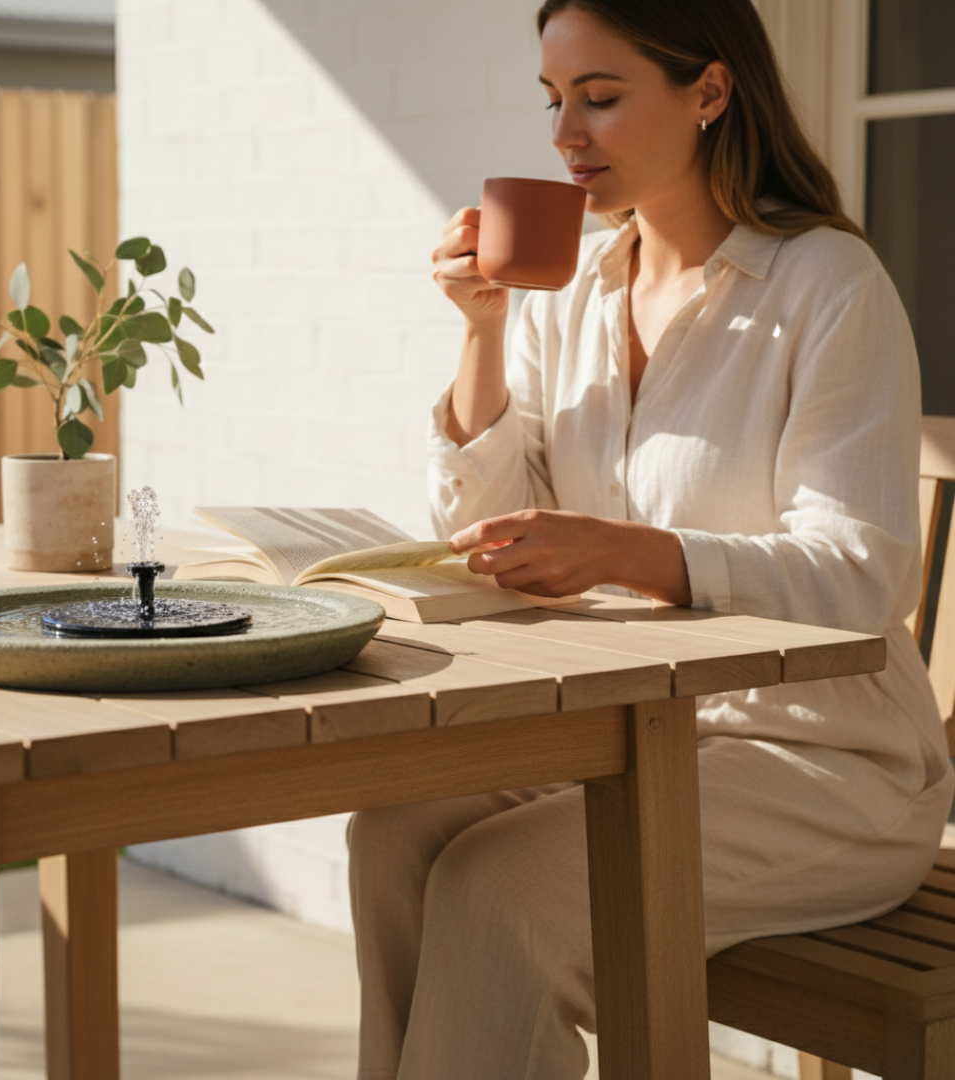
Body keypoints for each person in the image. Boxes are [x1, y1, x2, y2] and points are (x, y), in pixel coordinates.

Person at [347, 2, 955, 1077]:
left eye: (601, 97)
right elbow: (485, 534)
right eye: (553, 100)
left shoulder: (825, 284)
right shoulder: (568, 291)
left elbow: (863, 574)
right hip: (631, 735)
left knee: (499, 892)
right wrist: (482, 330)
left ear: (709, 92)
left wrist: (627, 552)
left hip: (824, 761)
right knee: (392, 833)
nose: (565, 135)